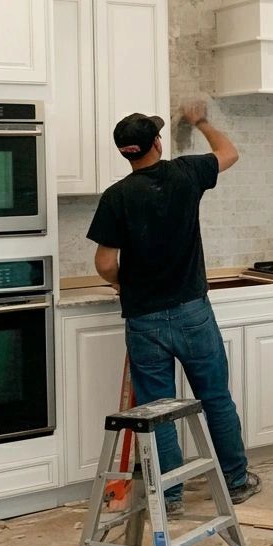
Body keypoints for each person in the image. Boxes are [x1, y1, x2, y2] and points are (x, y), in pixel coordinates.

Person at [87, 100, 260, 515]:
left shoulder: (116, 196)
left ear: (124, 152)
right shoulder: (186, 173)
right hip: (192, 312)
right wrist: (200, 121)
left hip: (144, 318)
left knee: (158, 409)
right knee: (215, 397)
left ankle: (170, 495)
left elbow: (105, 262)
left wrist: (122, 284)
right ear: (157, 144)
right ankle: (236, 481)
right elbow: (230, 152)